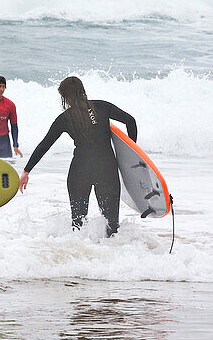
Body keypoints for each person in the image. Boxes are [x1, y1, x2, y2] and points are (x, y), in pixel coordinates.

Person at [20, 76, 137, 237]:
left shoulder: (64, 118)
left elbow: (44, 145)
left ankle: (78, 259)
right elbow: (131, 121)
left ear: (65, 97)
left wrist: (27, 171)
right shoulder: (102, 107)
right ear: (82, 91)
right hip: (107, 170)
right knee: (112, 228)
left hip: (80, 171)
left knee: (78, 226)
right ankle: (112, 259)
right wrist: (131, 153)